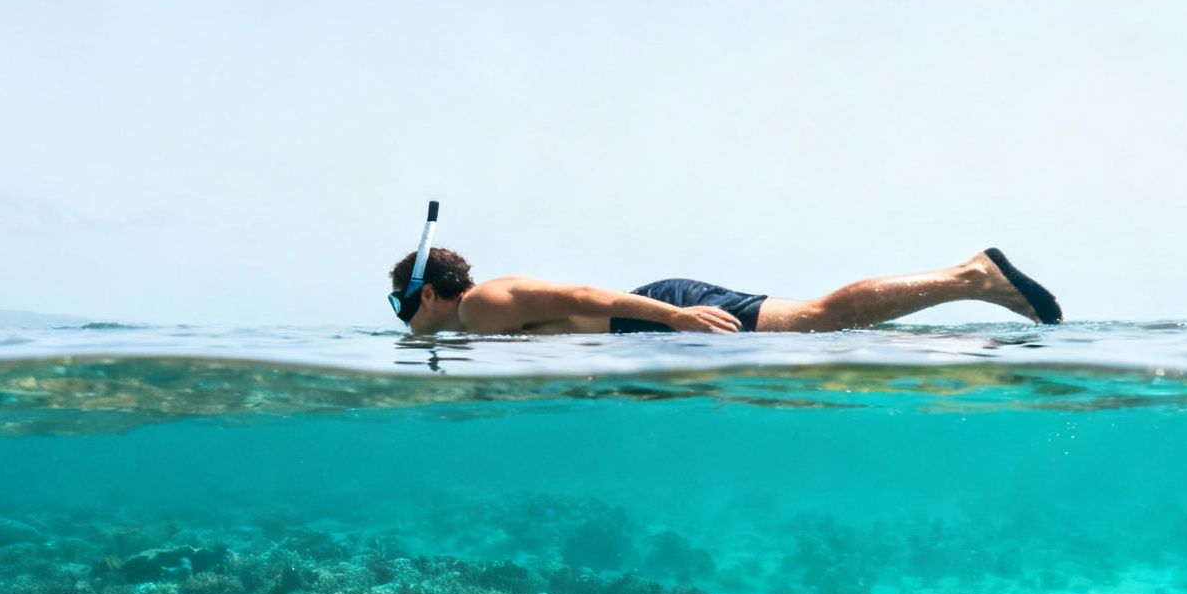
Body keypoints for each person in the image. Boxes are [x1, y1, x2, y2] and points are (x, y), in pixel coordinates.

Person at [387, 246, 1062, 336]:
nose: (398, 321)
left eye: (397, 304)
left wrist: (678, 317)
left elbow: (588, 295)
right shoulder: (472, 324)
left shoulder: (480, 305)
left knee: (818, 319)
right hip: (651, 338)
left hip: (658, 318)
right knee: (820, 337)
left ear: (424, 294)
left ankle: (971, 277)